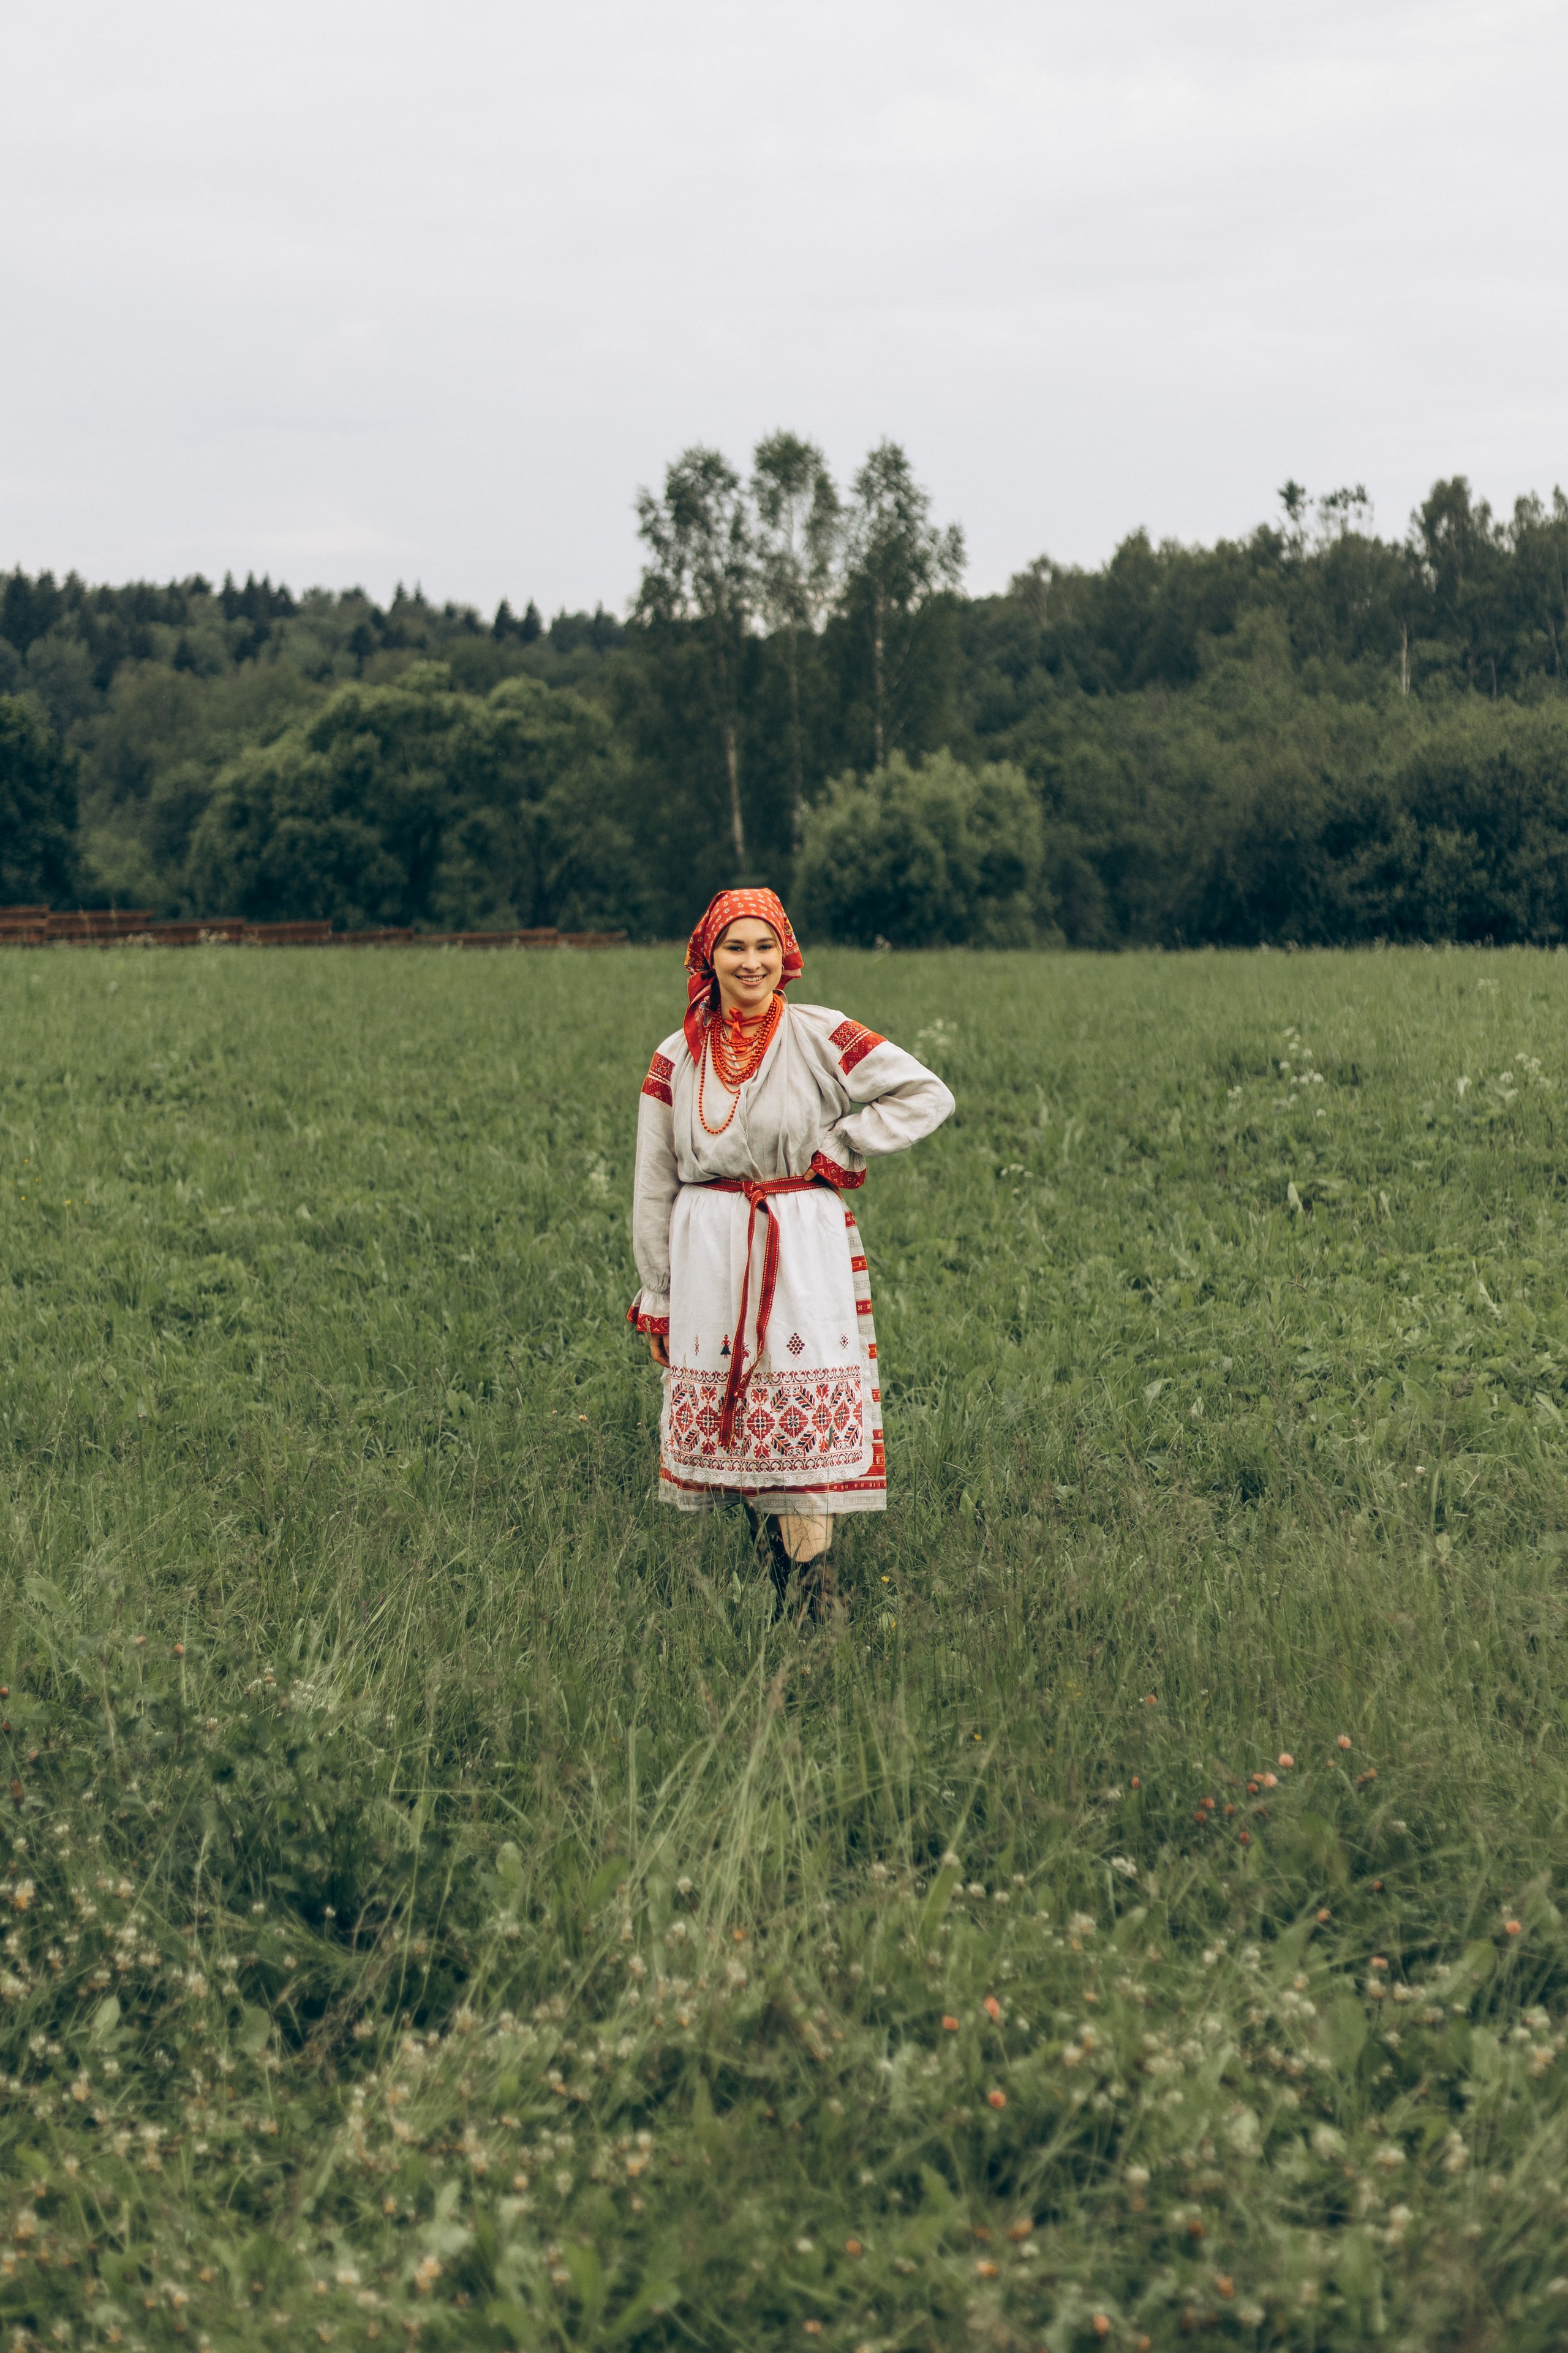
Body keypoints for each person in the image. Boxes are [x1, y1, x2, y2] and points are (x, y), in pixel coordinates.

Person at [628, 887, 954, 1618]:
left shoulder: (820, 1034)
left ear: (787, 956)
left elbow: (924, 1094)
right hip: (709, 1244)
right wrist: (659, 1293)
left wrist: (842, 1143)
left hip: (797, 1241)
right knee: (739, 1422)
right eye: (735, 947)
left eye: (765, 946)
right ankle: (776, 1563)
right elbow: (654, 1183)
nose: (751, 962)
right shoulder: (677, 1055)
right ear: (708, 956)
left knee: (800, 1422)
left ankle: (815, 1606)